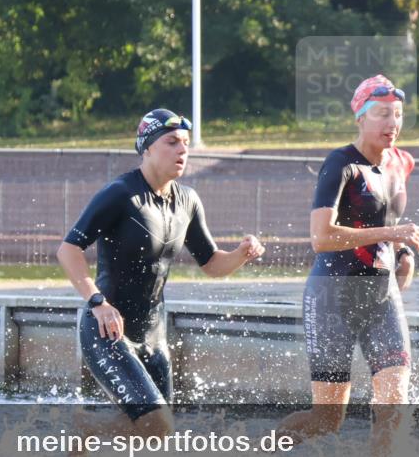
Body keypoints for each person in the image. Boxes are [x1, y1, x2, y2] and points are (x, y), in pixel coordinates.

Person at [57, 108, 265, 438]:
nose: (183, 150)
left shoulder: (188, 201)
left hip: (154, 335)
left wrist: (241, 254)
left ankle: (101, 446)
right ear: (148, 147)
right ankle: (88, 431)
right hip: (108, 330)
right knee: (159, 426)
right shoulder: (121, 194)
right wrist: (97, 302)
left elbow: (211, 263)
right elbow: (68, 249)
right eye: (172, 142)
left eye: (185, 143)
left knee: (153, 436)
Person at [277, 75, 419, 457]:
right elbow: (321, 237)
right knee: (327, 420)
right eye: (381, 115)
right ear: (360, 118)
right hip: (332, 297)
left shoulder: (402, 162)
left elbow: (388, 219)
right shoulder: (341, 164)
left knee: (394, 402)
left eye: (397, 115)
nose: (391, 123)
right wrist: (392, 232)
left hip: (381, 296)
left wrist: (403, 253)